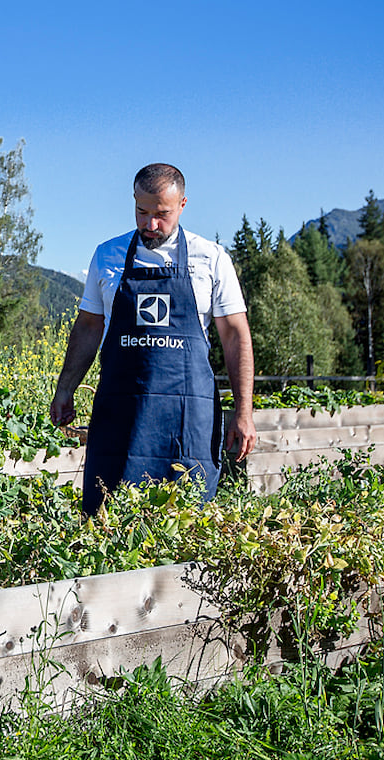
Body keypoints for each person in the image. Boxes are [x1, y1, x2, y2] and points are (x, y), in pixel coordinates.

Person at [50, 163, 256, 514]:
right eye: (141, 212)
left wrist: (244, 410)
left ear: (183, 205)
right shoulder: (108, 255)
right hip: (121, 416)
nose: (150, 225)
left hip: (188, 418)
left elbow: (236, 336)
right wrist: (66, 387)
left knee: (188, 521)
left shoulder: (211, 258)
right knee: (108, 518)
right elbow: (88, 327)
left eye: (162, 214)